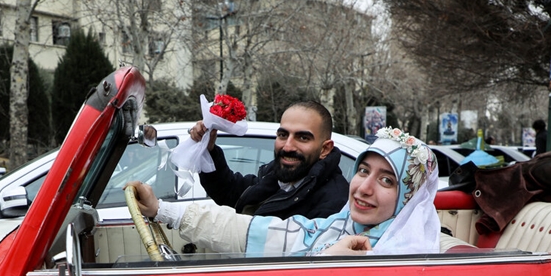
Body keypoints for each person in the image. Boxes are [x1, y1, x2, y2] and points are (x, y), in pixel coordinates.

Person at [128, 130, 440, 257]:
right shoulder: (338, 225)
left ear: (409, 199)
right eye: (362, 171)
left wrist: (331, 263)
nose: (365, 188)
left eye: (387, 181)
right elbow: (259, 230)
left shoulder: (397, 257)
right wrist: (163, 210)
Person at [189, 101, 348, 220]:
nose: (288, 147)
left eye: (303, 138)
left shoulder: (334, 203)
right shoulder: (275, 177)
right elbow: (231, 193)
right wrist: (208, 149)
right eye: (283, 135)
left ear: (325, 149)